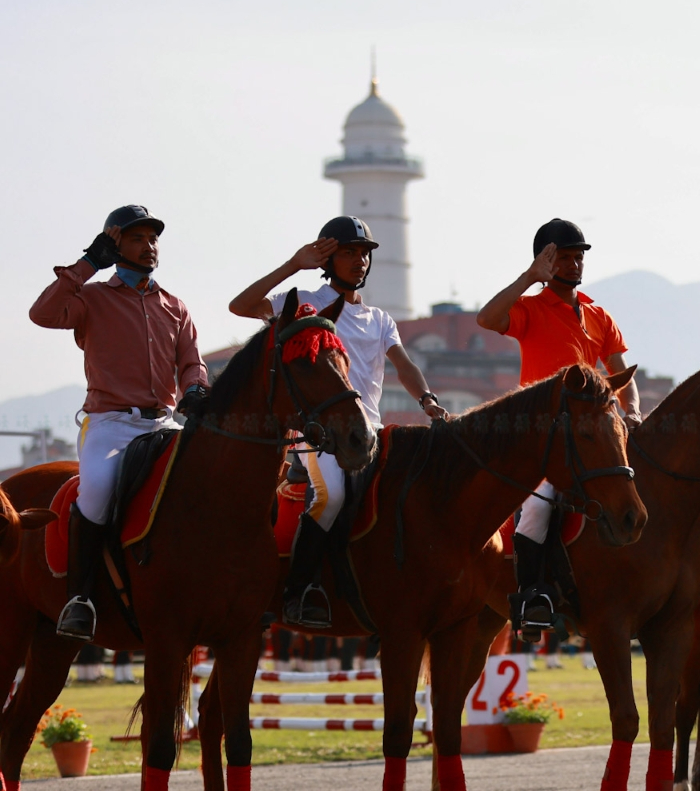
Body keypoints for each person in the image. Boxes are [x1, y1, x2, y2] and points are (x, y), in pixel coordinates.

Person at [230, 215, 446, 628]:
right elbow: (240, 306)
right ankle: (299, 591)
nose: (359, 262)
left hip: (368, 434)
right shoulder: (303, 300)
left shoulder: (381, 320)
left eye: (364, 254)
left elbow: (404, 365)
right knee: (332, 498)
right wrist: (294, 264)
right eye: (349, 253)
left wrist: (428, 400)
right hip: (319, 437)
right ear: (328, 258)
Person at [30, 205, 209, 641]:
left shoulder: (175, 306)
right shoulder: (90, 298)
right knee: (96, 491)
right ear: (114, 244)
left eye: (153, 239)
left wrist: (195, 389)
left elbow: (191, 363)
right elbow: (43, 314)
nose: (148, 247)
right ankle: (80, 598)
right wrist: (88, 263)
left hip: (164, 424)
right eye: (136, 239)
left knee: (210, 479)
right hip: (109, 422)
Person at [476, 218, 641, 639]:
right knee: (537, 507)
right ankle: (533, 597)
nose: (573, 264)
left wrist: (633, 412)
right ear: (545, 261)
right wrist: (530, 278)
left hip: (594, 436)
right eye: (563, 257)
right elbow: (486, 318)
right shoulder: (530, 309)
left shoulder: (600, 315)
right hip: (542, 439)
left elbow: (621, 373)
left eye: (577, 256)